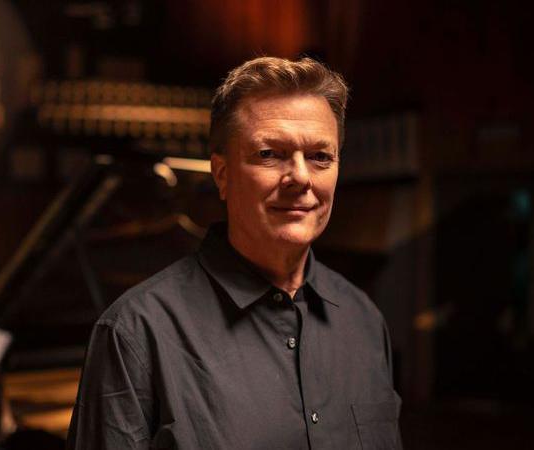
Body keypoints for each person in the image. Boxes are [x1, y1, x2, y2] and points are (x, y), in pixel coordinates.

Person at [66, 56, 402, 450]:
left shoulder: (363, 319)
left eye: (320, 157)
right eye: (269, 155)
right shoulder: (136, 334)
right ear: (222, 175)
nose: (301, 178)